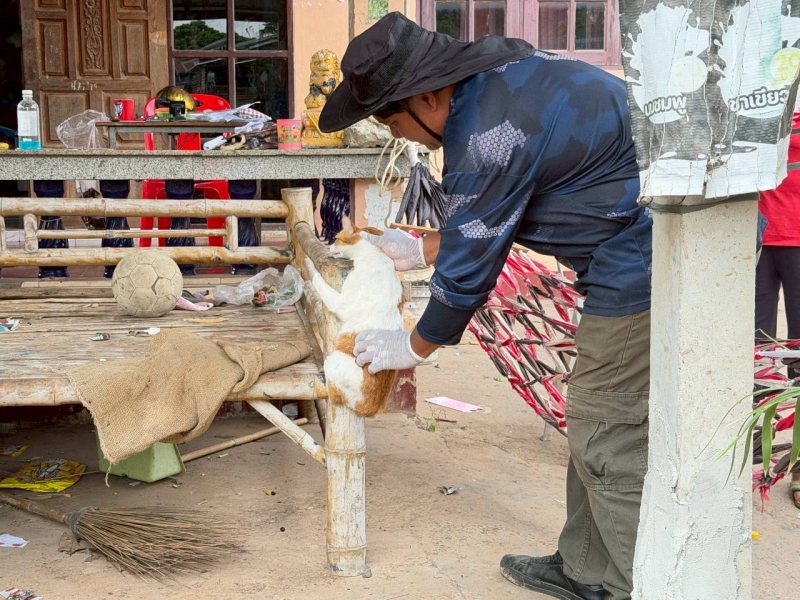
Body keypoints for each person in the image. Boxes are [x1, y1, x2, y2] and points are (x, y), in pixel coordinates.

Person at [320, 14, 651, 600]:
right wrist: (422, 248)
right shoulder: (501, 81)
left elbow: (470, 269)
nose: (404, 139)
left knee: (608, 431)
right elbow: (502, 209)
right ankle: (585, 567)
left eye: (396, 123)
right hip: (628, 254)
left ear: (427, 96)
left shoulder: (484, 130)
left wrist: (414, 346)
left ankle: (631, 585)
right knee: (594, 417)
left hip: (644, 264)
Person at [755, 108, 800, 510]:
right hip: (756, 238)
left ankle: (799, 460)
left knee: (799, 353)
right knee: (757, 347)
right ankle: (756, 442)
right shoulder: (761, 101)